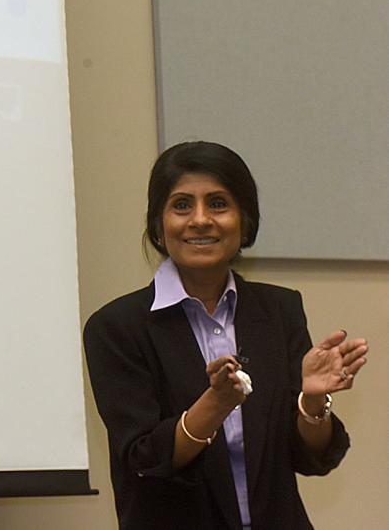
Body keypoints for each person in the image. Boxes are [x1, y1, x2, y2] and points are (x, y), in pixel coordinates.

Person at [83, 141, 368, 530]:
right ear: (158, 225)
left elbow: (308, 458)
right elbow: (145, 459)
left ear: (244, 221)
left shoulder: (278, 310)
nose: (200, 219)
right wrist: (215, 404)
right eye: (182, 205)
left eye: (218, 203)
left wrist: (312, 402)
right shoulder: (116, 327)